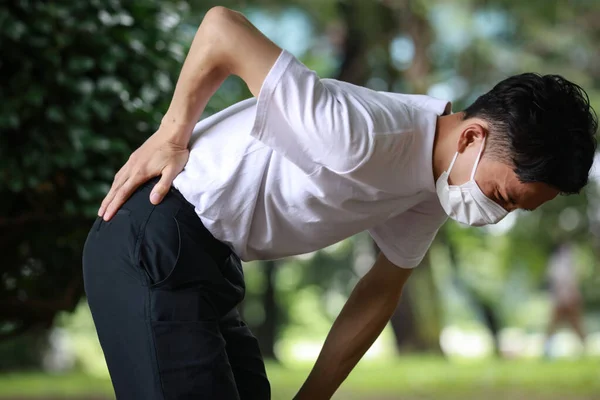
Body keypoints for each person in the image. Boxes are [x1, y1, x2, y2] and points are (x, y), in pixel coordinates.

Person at [82, 6, 598, 400]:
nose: (495, 214)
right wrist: (172, 135)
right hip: (151, 235)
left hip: (211, 261)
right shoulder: (360, 133)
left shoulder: (430, 192)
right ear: (471, 139)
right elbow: (222, 29)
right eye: (502, 196)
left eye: (514, 209)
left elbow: (379, 292)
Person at [544, 243, 586, 357]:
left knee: (575, 324)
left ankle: (584, 347)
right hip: (561, 299)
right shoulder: (557, 263)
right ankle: (546, 349)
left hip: (568, 299)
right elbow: (556, 282)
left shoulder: (568, 263)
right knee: (553, 325)